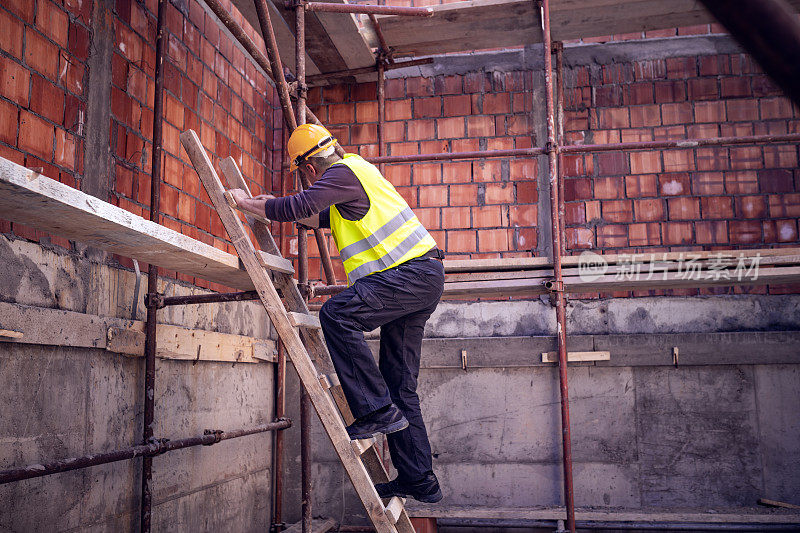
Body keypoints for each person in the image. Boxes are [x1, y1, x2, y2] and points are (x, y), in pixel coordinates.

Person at [229, 123, 444, 503]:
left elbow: (300, 205)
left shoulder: (343, 173)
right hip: (420, 278)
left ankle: (376, 410)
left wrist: (248, 204)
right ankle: (418, 479)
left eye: (303, 176)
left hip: (409, 276)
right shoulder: (354, 175)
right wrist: (270, 203)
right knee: (399, 383)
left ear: (308, 168)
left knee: (337, 314)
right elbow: (317, 216)